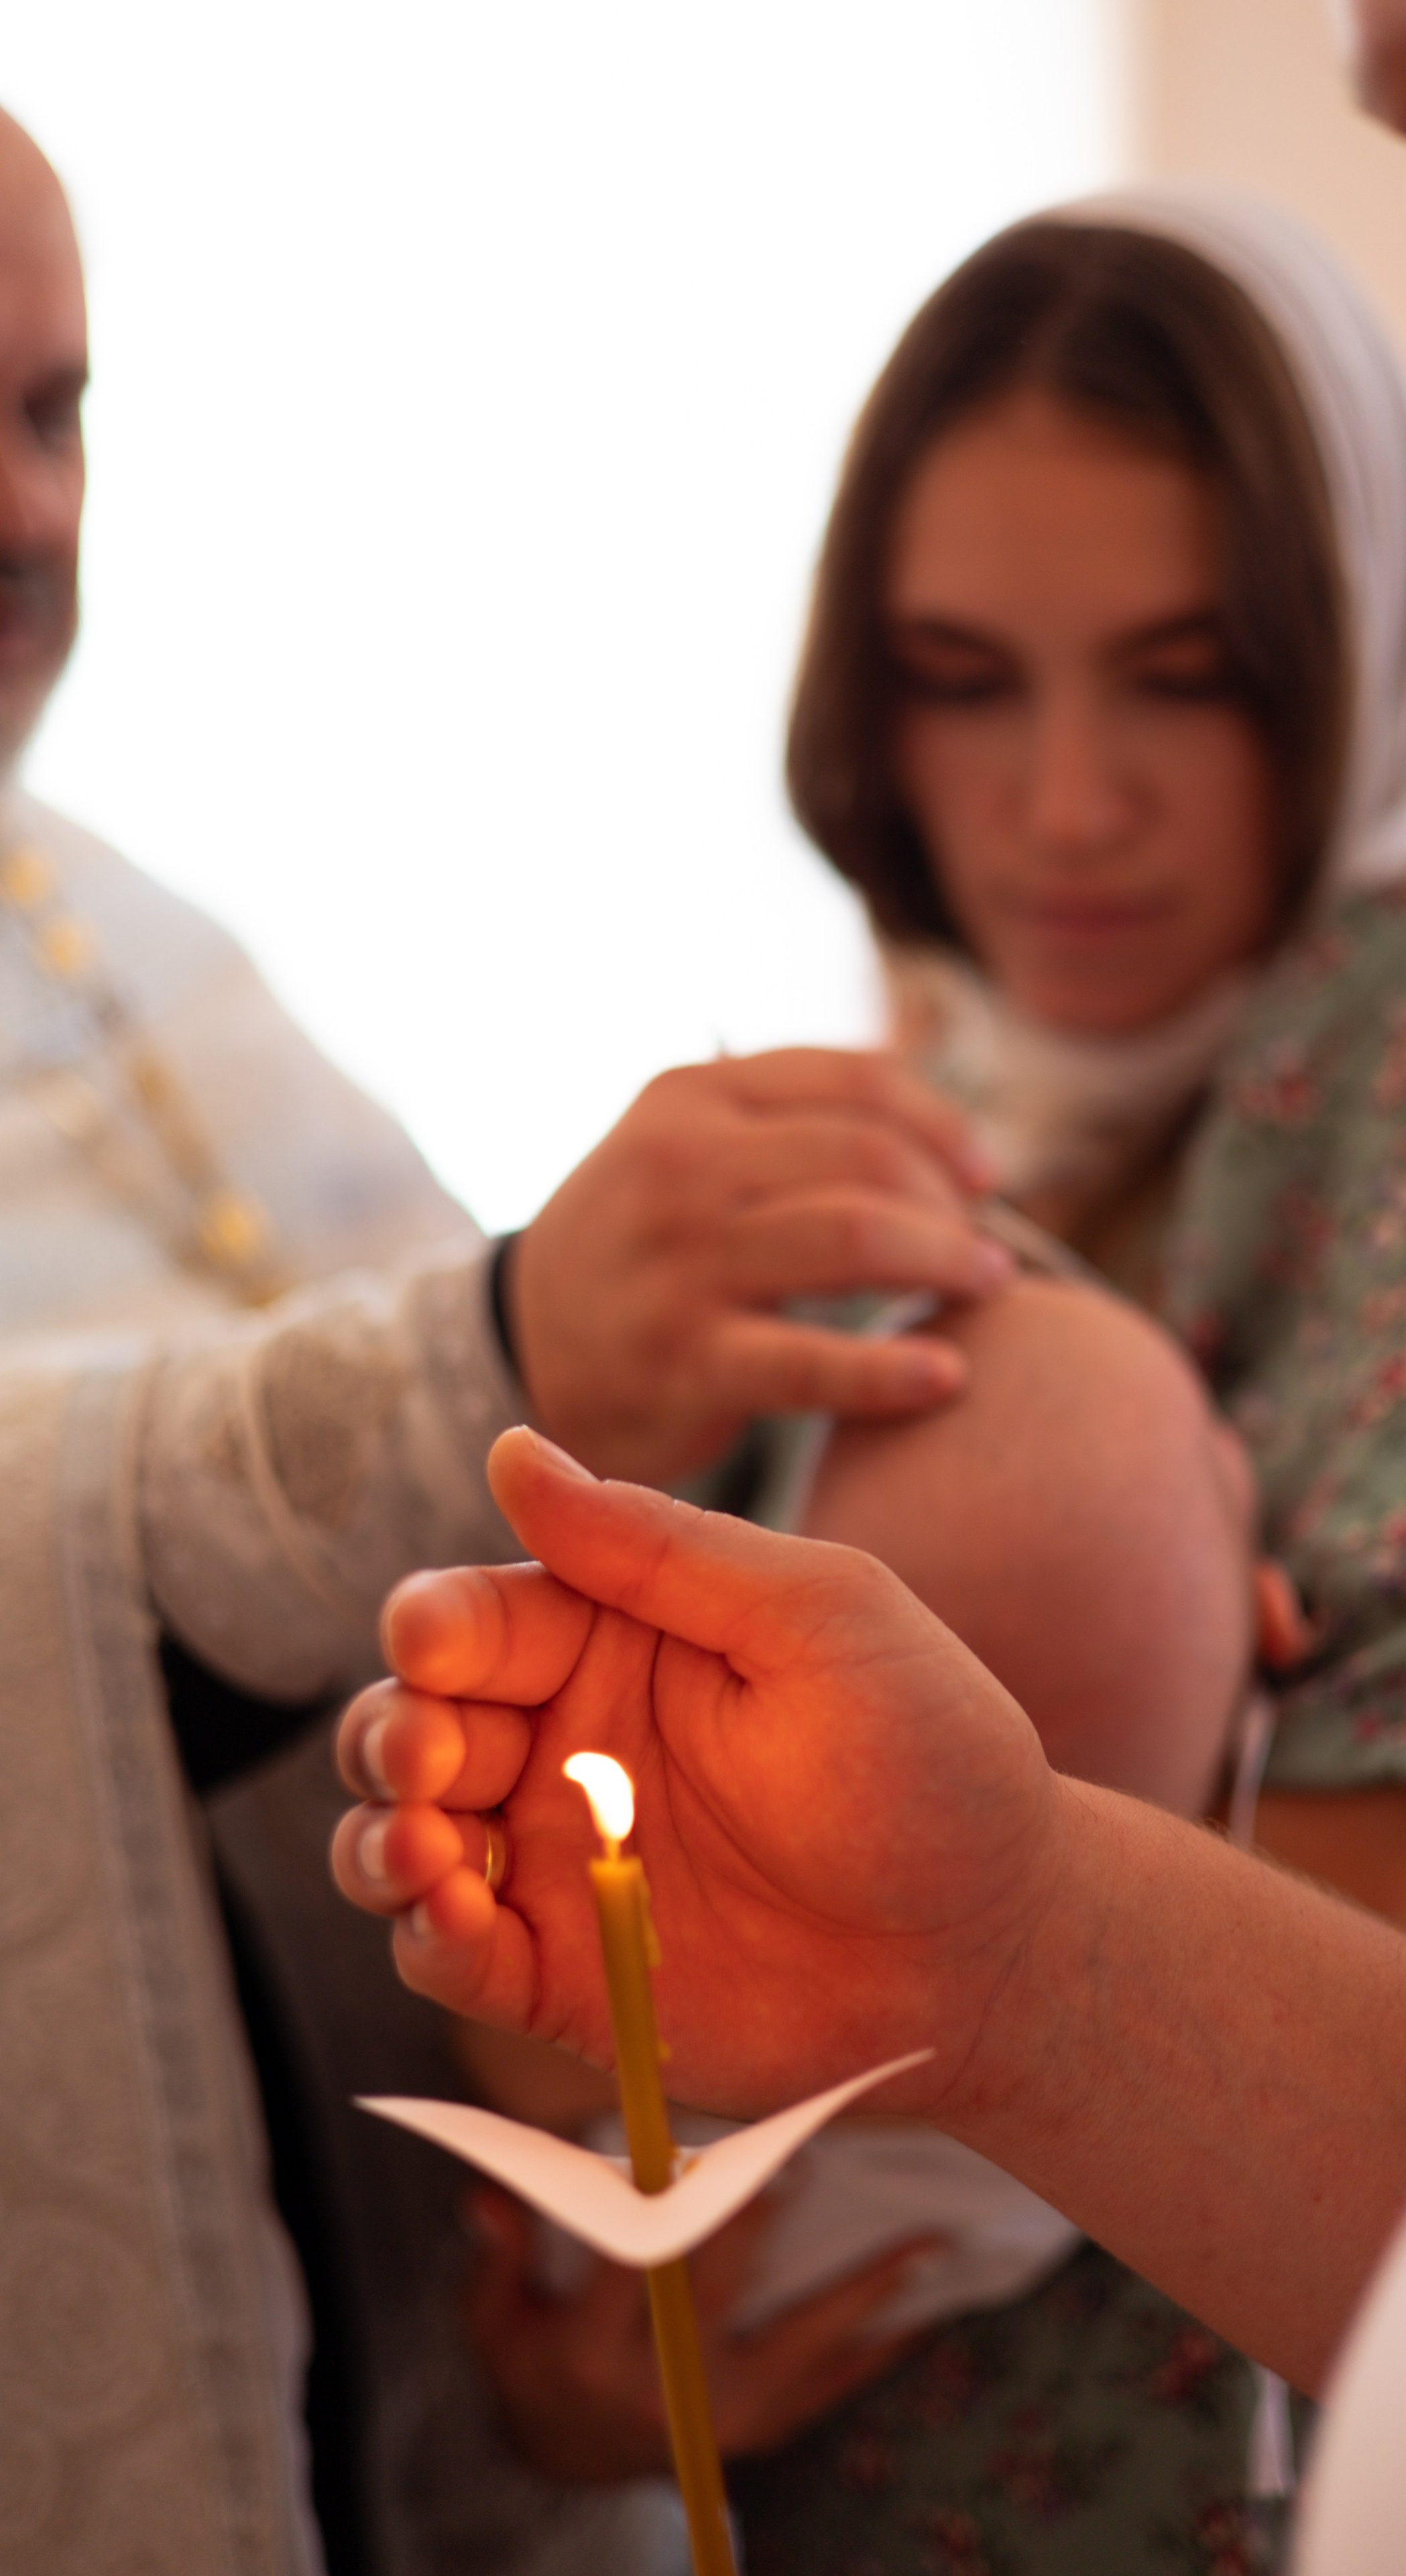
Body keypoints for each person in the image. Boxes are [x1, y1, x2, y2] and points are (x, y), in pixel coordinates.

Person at [332, 0, 1406, 2559]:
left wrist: (714, 2155)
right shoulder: (856, 1159)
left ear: (1355, 645)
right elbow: (581, 2085)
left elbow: (1386, 1946)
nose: (1065, 811)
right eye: (967, 689)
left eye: (1185, 684)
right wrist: (587, 2374)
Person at [0, 105, 1020, 2576]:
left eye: (55, 414)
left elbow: (518, 1489)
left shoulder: (120, 930)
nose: (33, 515)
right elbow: (426, 1387)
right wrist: (501, 1337)